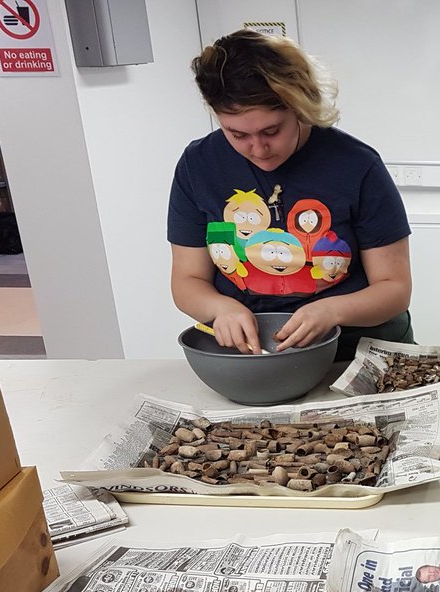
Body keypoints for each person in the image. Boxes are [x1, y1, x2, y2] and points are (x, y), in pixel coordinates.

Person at [168, 29, 413, 361]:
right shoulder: (198, 166)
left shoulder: (357, 166)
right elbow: (188, 279)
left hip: (355, 349)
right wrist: (219, 307)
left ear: (299, 106)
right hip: (252, 353)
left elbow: (395, 289)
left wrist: (331, 311)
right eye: (237, 134)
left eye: (271, 131)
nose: (258, 149)